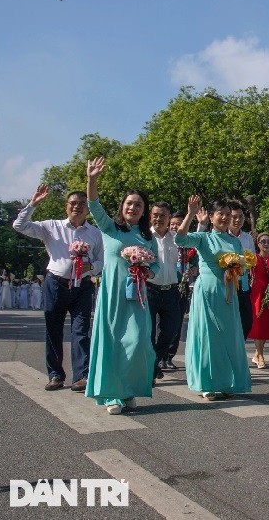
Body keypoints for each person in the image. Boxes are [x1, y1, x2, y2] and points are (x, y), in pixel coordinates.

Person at [83, 157, 160, 414]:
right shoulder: (110, 228)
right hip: (113, 293)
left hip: (137, 296)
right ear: (122, 206)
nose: (133, 207)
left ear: (144, 209)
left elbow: (157, 266)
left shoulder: (147, 237)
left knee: (138, 341)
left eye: (139, 204)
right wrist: (92, 179)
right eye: (129, 203)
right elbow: (93, 205)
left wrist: (147, 269)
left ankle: (128, 388)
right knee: (112, 341)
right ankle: (112, 394)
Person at [13, 184, 104, 391]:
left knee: (81, 331)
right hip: (56, 284)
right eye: (73, 203)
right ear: (66, 207)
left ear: (87, 209)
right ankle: (55, 375)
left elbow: (102, 261)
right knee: (53, 330)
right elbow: (19, 226)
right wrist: (32, 204)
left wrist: (92, 266)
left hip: (83, 286)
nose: (77, 207)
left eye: (82, 204)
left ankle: (82, 375)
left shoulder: (95, 234)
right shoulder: (51, 227)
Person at [175, 196, 252, 400]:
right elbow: (180, 239)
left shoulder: (235, 242)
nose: (225, 218)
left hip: (228, 291)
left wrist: (237, 267)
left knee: (229, 337)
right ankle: (206, 383)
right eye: (221, 214)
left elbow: (241, 267)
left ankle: (227, 381)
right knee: (208, 337)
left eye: (228, 214)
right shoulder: (204, 238)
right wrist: (191, 214)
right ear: (211, 217)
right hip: (207, 291)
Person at [147, 202, 181, 380]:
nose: (158, 218)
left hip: (171, 291)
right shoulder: (144, 237)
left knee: (171, 330)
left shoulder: (176, 238)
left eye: (163, 215)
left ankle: (154, 361)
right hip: (150, 290)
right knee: (149, 332)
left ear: (169, 219)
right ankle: (151, 368)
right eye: (155, 215)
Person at [164, 211, 197, 370]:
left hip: (182, 286)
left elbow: (197, 264)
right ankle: (159, 355)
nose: (176, 227)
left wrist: (193, 270)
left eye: (179, 224)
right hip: (166, 285)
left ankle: (169, 356)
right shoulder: (165, 241)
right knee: (162, 323)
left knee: (177, 322)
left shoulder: (188, 244)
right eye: (173, 224)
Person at [247, 232, 269, 368]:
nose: (266, 244)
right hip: (257, 293)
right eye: (263, 242)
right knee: (258, 324)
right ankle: (260, 356)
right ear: (258, 244)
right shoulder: (253, 258)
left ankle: (257, 353)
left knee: (267, 324)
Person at [229, 202, 255, 340]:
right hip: (227, 283)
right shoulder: (223, 236)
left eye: (240, 216)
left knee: (247, 321)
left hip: (243, 283)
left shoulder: (247, 237)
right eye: (234, 217)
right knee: (229, 321)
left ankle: (238, 347)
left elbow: (252, 259)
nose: (238, 220)